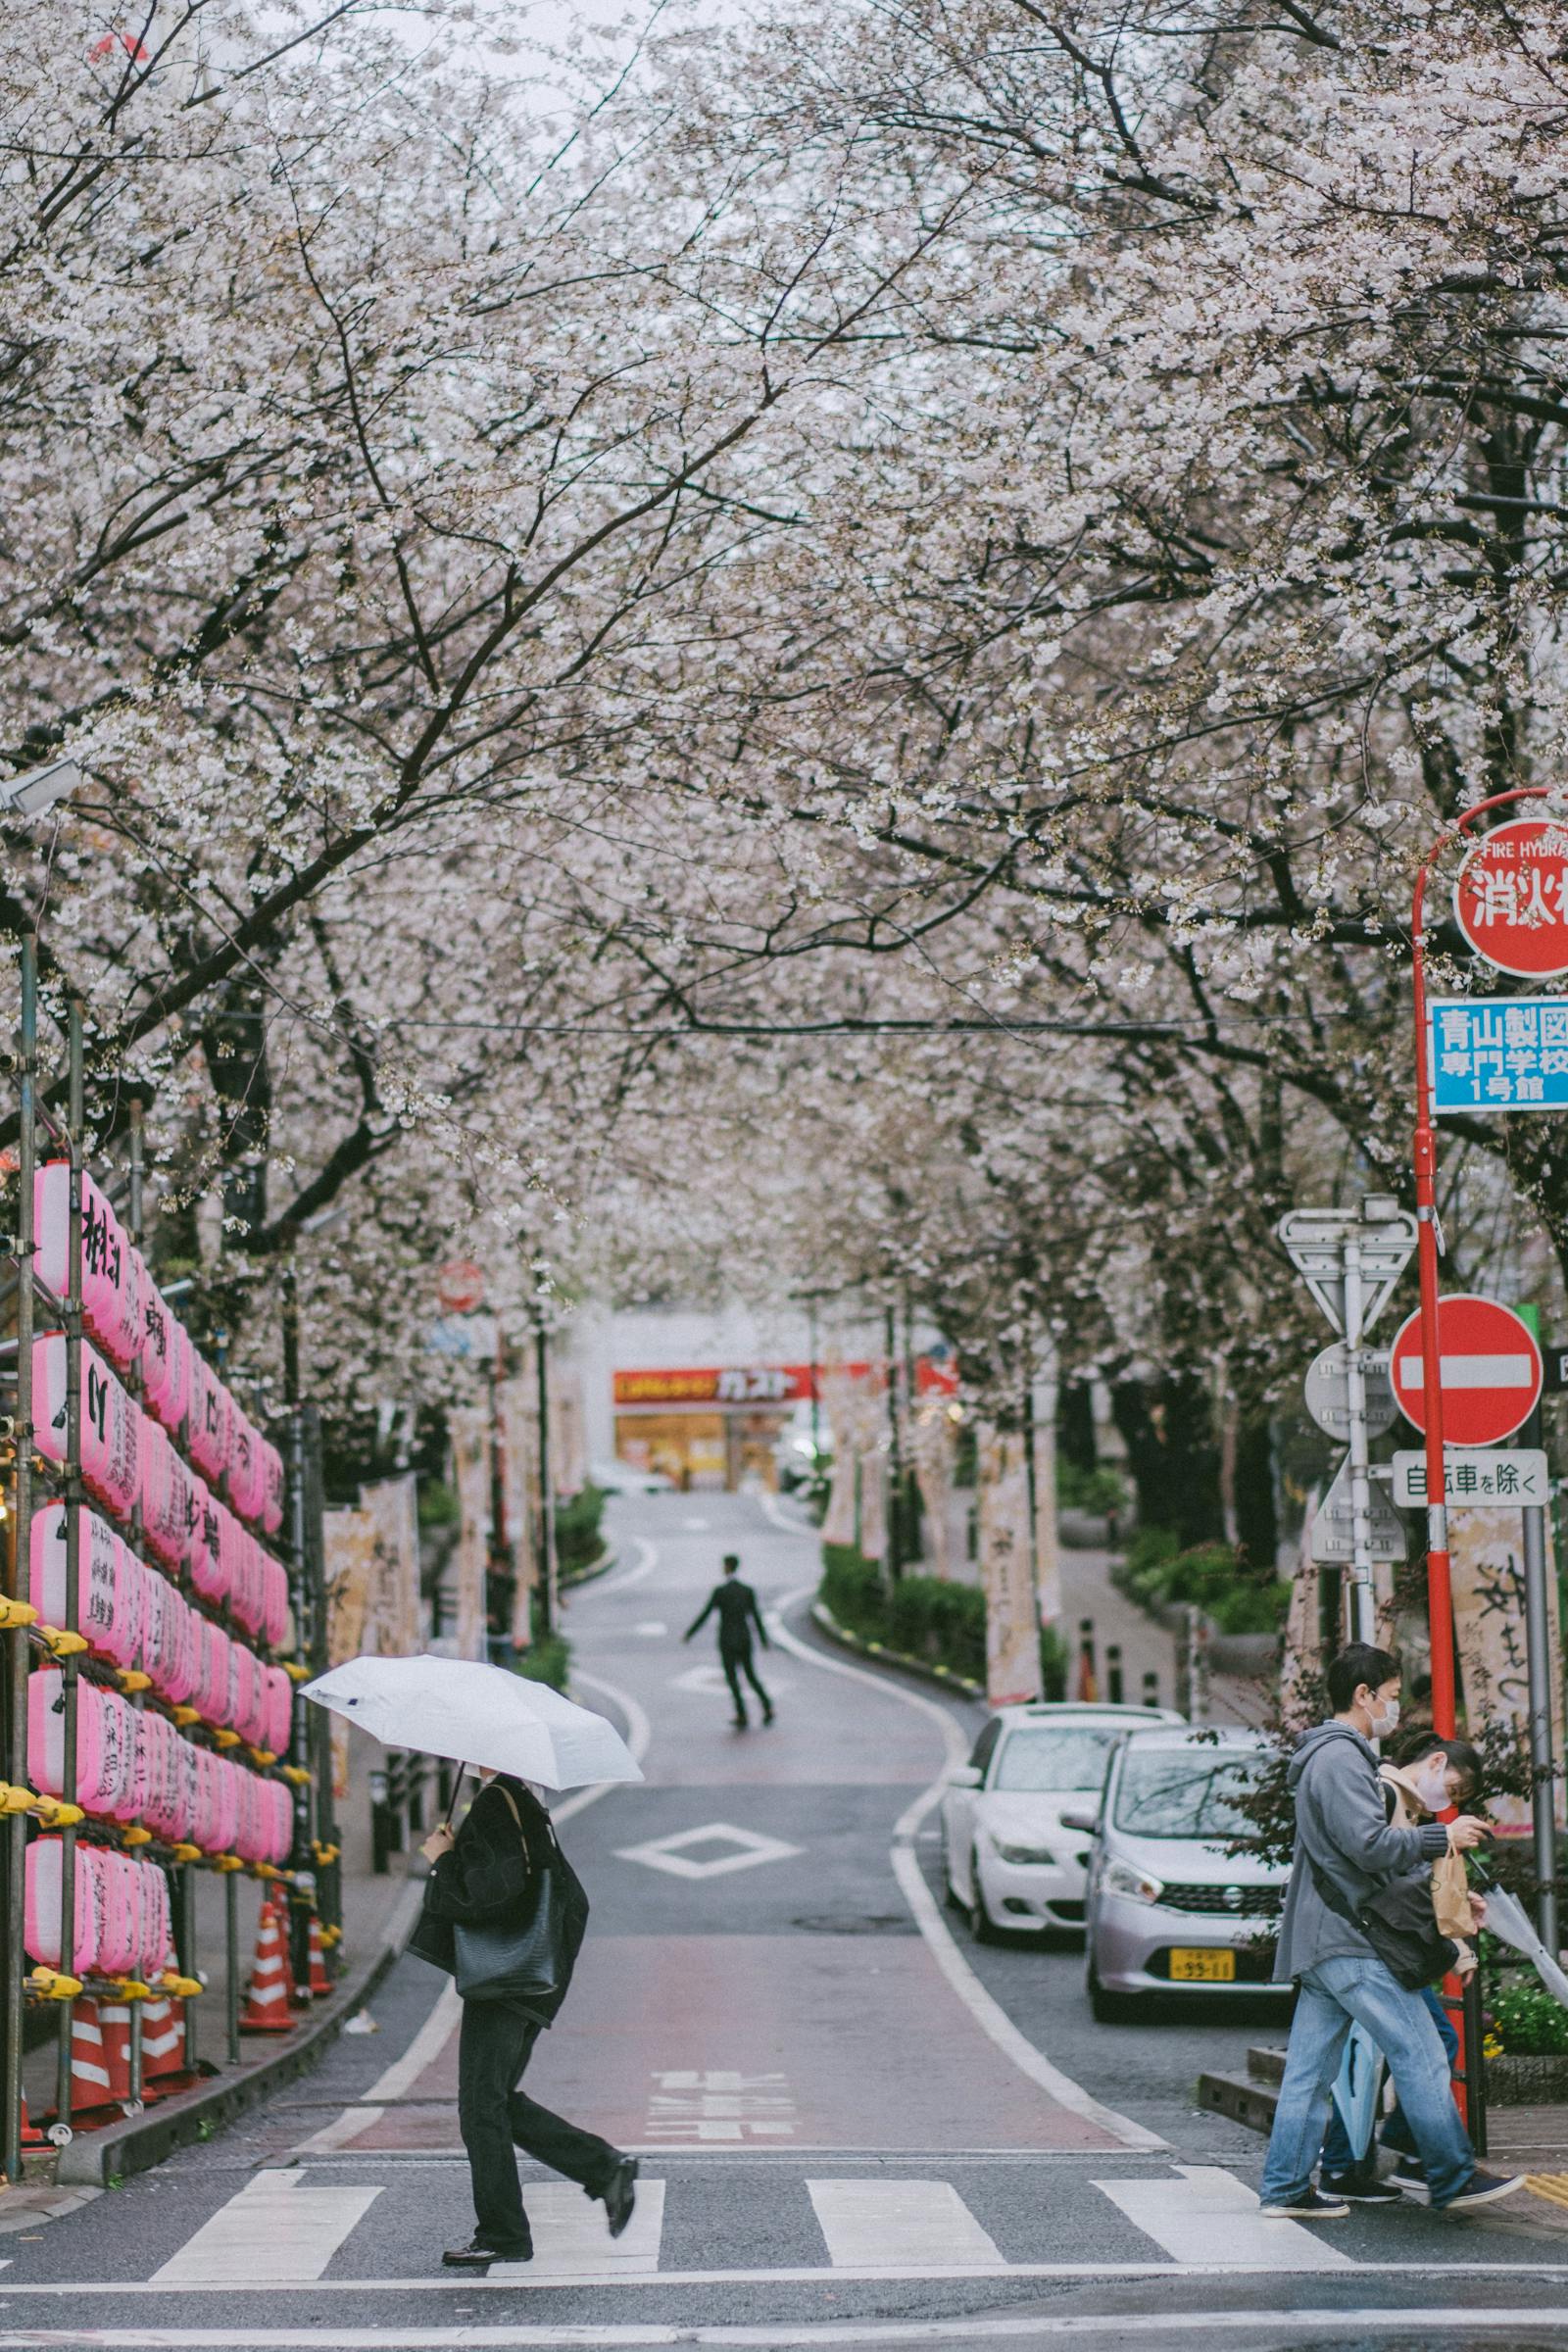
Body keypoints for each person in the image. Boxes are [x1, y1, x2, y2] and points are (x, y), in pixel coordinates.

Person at [1258, 1642, 1521, 2220]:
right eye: (1394, 1696)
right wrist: (1441, 1839)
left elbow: (1362, 1860)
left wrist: (1448, 1895)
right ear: (1364, 1694)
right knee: (1422, 2052)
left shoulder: (1331, 1758)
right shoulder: (1340, 1759)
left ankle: (1285, 2188)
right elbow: (1368, 1847)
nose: (1397, 1710)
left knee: (1309, 2071)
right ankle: (1451, 2174)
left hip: (1327, 1939)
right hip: (1351, 1941)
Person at [418, 1769, 638, 2268]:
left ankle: (504, 2233)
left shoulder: (497, 1804)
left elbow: (490, 1895)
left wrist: (443, 1862)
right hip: (529, 1977)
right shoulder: (522, 1800)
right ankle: (604, 2170)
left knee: (480, 2108)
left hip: (506, 1979)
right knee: (494, 2102)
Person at [1317, 1733, 1483, 2203]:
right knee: (1406, 2050)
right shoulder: (1388, 1794)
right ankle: (1417, 2158)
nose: (1448, 1802)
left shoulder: (1401, 1801)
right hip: (1368, 1947)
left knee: (1356, 2059)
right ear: (1435, 1762)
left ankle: (1341, 2168)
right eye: (1452, 1789)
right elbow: (1382, 1870)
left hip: (1358, 1945)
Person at [684, 1553, 774, 1728]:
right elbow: (756, 1617)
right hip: (744, 1638)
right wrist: (763, 1639)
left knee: (733, 1679)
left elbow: (706, 1613)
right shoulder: (747, 1591)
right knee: (751, 1675)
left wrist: (690, 1633)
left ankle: (742, 1713)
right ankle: (767, 1707)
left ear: (726, 1567)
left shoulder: (720, 1592)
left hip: (727, 1639)